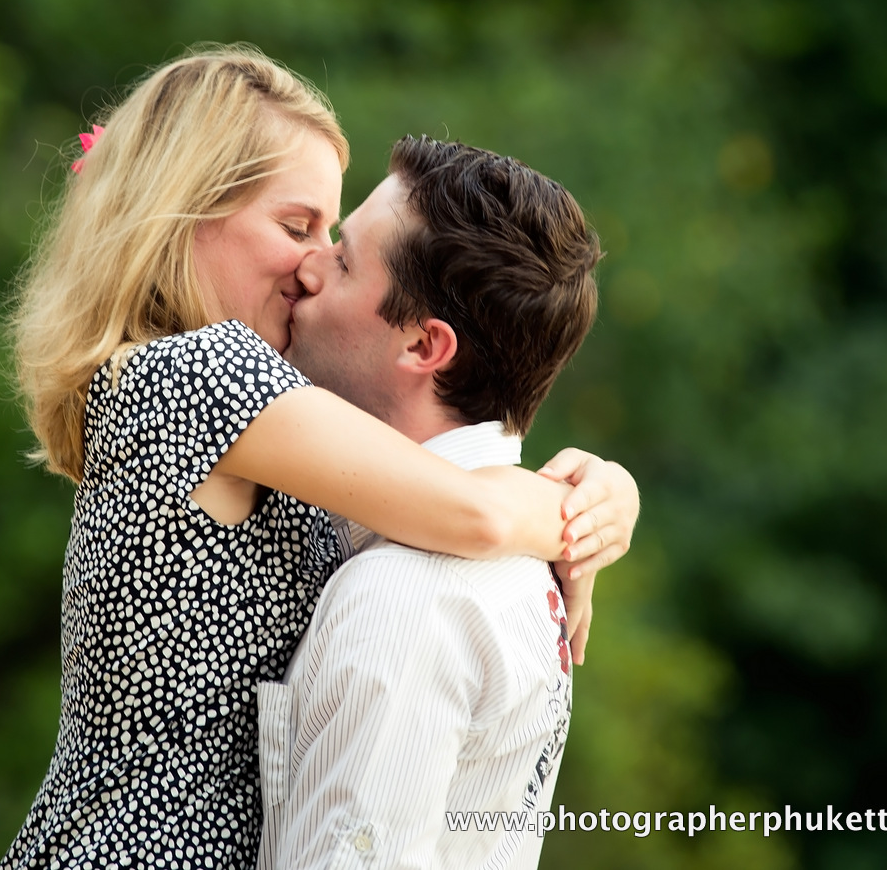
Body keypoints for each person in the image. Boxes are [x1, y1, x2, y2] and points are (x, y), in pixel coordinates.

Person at [0, 46, 637, 869]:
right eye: (297, 226)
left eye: (330, 236)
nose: (312, 263)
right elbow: (473, 511)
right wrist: (582, 512)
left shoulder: (262, 412)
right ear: (185, 214)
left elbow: (431, 475)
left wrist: (596, 492)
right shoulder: (199, 374)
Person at [258, 136, 625, 870]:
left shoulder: (404, 599)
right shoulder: (526, 566)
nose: (308, 264)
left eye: (346, 260)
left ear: (425, 346)